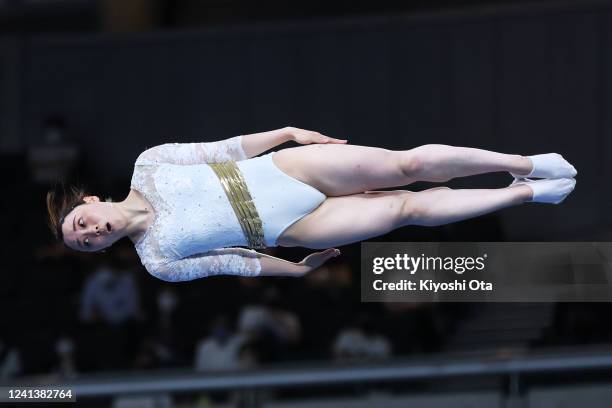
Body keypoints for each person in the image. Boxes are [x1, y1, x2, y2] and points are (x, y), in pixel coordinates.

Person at [46, 127, 577, 282]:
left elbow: (225, 150)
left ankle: (524, 162)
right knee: (404, 210)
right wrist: (296, 272)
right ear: (101, 247)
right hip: (293, 227)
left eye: (80, 222)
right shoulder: (157, 261)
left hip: (280, 170)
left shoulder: (150, 163)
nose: (89, 231)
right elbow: (239, 263)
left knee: (408, 167)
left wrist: (287, 134)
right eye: (86, 242)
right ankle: (528, 193)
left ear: (89, 201)